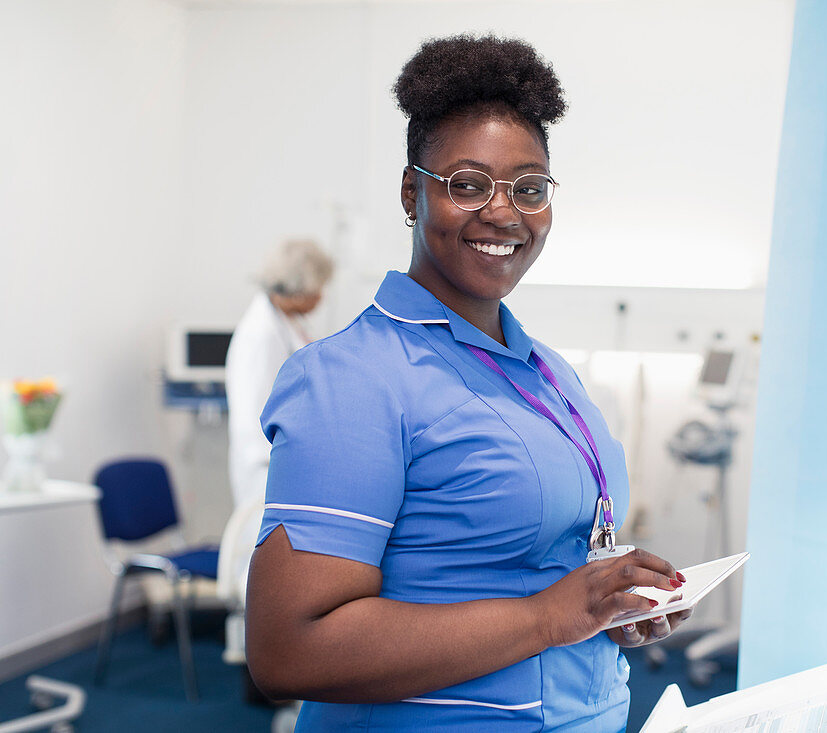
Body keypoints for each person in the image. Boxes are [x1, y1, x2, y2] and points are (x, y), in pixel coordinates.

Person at [246, 35, 692, 731]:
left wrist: (608, 612)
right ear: (411, 191)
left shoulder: (548, 370)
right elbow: (287, 650)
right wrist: (552, 615)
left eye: (530, 187)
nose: (504, 212)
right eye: (467, 183)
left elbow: (542, 573)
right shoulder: (354, 378)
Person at [225, 238, 334, 509]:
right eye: (318, 289)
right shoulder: (260, 334)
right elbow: (253, 416)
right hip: (267, 472)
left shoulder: (286, 321)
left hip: (289, 463)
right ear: (295, 291)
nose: (322, 297)